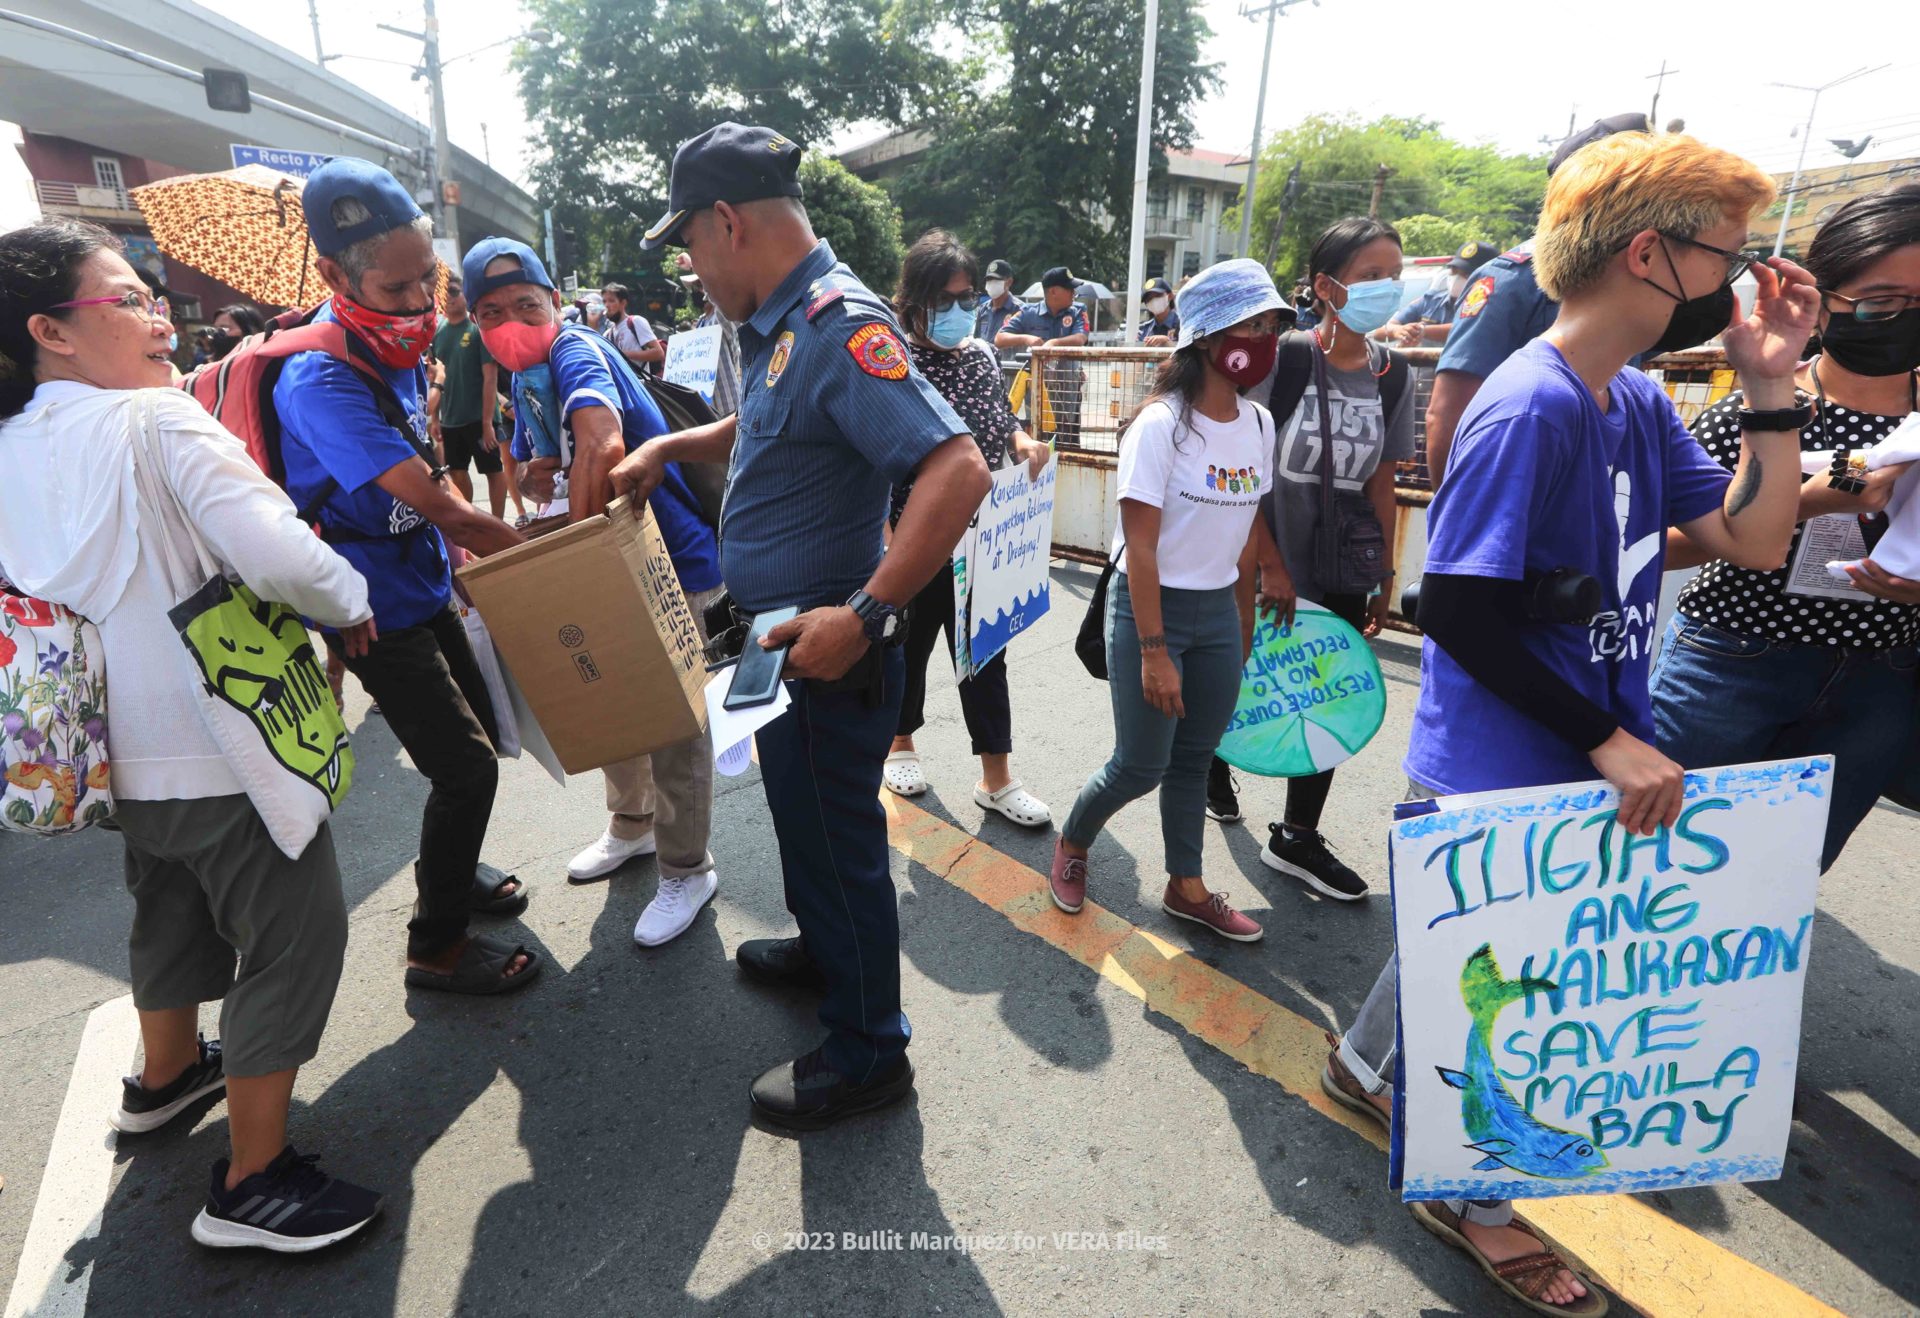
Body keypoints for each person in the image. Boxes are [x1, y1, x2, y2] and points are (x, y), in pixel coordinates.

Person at [1324, 131, 1815, 1318]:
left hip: (1580, 749)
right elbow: (1460, 613)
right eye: (1727, 262)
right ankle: (1474, 1201)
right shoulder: (1530, 407)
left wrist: (1768, 387)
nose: (1738, 288)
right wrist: (1606, 735)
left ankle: (1359, 1066)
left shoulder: (1635, 402)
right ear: (1650, 254)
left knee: (1474, 958)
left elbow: (1754, 540)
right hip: (1507, 762)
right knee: (1514, 995)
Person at [0, 218, 384, 1251]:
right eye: (127, 299)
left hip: (101, 750)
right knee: (295, 936)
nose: (158, 314)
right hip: (221, 740)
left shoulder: (8, 445)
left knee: (167, 905)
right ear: (53, 329)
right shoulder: (156, 423)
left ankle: (166, 1077)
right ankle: (255, 1179)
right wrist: (349, 597)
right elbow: (285, 557)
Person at [615, 121, 989, 1128]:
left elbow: (958, 469)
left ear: (728, 221)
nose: (689, 269)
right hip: (783, 640)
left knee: (839, 843)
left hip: (833, 647)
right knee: (805, 824)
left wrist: (867, 615)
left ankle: (871, 1052)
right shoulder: (783, 328)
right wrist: (673, 446)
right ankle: (828, 954)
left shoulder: (833, 323)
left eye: (688, 244)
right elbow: (771, 419)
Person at [273, 157, 537, 997]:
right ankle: (437, 946)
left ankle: (449, 874)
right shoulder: (318, 377)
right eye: (400, 290)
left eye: (432, 281)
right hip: (368, 608)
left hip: (421, 581)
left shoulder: (385, 341)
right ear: (332, 274)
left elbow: (431, 479)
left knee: (474, 742)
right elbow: (449, 505)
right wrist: (555, 566)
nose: (425, 305)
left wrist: (456, 561)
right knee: (467, 769)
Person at [465, 237, 726, 947]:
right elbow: (536, 463)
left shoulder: (575, 349)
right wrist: (542, 468)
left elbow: (606, 445)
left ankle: (686, 868)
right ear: (475, 324)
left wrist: (573, 564)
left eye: (526, 303)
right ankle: (633, 825)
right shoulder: (523, 377)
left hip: (661, 558)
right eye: (491, 311)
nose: (512, 320)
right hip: (603, 555)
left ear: (555, 300)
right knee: (611, 696)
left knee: (673, 720)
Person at [1653, 183, 1920, 872]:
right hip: (1732, 665)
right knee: (1649, 862)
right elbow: (1657, 549)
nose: (1901, 321)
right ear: (1824, 298)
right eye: (1882, 302)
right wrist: (1803, 501)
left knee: (1777, 881)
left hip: (1878, 682)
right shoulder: (1762, 406)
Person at [1050, 259, 1294, 942]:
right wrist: (1155, 651)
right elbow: (1143, 548)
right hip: (1148, 608)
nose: (1267, 337)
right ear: (1209, 336)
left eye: (1273, 325)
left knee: (1194, 759)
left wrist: (1247, 609)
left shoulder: (1259, 424)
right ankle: (1072, 843)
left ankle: (1186, 888)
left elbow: (1245, 522)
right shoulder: (1160, 426)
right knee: (1141, 764)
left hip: (1217, 610)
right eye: (1253, 324)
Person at [1215, 217, 1415, 902]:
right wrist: (1267, 563)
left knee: (1325, 690)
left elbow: (1383, 479)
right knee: (1238, 679)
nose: (1388, 288)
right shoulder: (1289, 357)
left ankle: (1297, 836)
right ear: (1328, 286)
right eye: (1371, 276)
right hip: (1257, 560)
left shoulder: (1395, 375)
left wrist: (1382, 574)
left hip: (1338, 568)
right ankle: (1216, 761)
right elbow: (1236, 464)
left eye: (1396, 274)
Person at [882, 228, 1054, 826]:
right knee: (910, 645)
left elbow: (998, 418)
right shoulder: (890, 362)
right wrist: (885, 535)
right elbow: (874, 449)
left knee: (985, 653)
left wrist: (1024, 440)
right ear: (912, 305)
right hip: (914, 537)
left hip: (982, 539)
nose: (958, 312)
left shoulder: (981, 356)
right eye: (944, 301)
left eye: (967, 299)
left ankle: (996, 778)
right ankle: (899, 745)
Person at [1425, 114, 1651, 485]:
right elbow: (1448, 412)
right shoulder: (1512, 280)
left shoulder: (1640, 283)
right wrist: (1460, 524)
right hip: (1517, 490)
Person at [428, 276, 510, 519]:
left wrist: (487, 425)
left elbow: (490, 377)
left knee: (493, 470)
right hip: (451, 420)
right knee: (458, 473)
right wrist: (435, 419)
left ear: (466, 295)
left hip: (480, 419)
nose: (450, 297)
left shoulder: (477, 330)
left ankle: (498, 522)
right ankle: (473, 519)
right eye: (445, 293)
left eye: (454, 291)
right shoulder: (438, 332)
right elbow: (435, 377)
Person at [997, 267, 1090, 446]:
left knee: (1068, 439)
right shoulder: (1027, 312)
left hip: (1067, 391)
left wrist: (1053, 343)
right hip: (1037, 394)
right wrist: (1026, 338)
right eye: (1069, 288)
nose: (1073, 293)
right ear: (1053, 291)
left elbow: (1081, 338)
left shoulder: (1078, 310)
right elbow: (1000, 338)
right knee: (1037, 436)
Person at [1378, 241, 1498, 347]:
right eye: (1454, 271)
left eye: (1465, 274)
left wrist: (1422, 331)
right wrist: (1398, 331)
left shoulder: (1492, 307)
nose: (1456, 278)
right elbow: (1380, 332)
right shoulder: (1430, 301)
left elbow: (1466, 328)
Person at [679, 251, 743, 418]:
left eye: (700, 285)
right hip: (705, 407)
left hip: (728, 405)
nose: (697, 291)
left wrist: (695, 263)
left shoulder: (722, 317)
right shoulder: (700, 323)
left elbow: (722, 288)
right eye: (694, 287)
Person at [603, 281, 666, 371]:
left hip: (639, 383)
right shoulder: (608, 334)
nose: (607, 305)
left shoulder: (635, 322)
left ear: (623, 303)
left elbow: (658, 353)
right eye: (604, 301)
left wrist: (623, 354)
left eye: (611, 301)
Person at [974, 257, 1027, 353]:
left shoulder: (1021, 310)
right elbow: (976, 341)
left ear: (1009, 282)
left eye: (996, 280)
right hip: (985, 364)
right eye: (989, 280)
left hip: (1009, 366)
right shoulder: (982, 310)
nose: (991, 284)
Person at [1137, 275, 1180, 346]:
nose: (1153, 301)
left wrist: (1167, 342)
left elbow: (1189, 350)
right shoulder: (1144, 329)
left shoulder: (1183, 325)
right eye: (1149, 299)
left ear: (1170, 296)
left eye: (1157, 296)